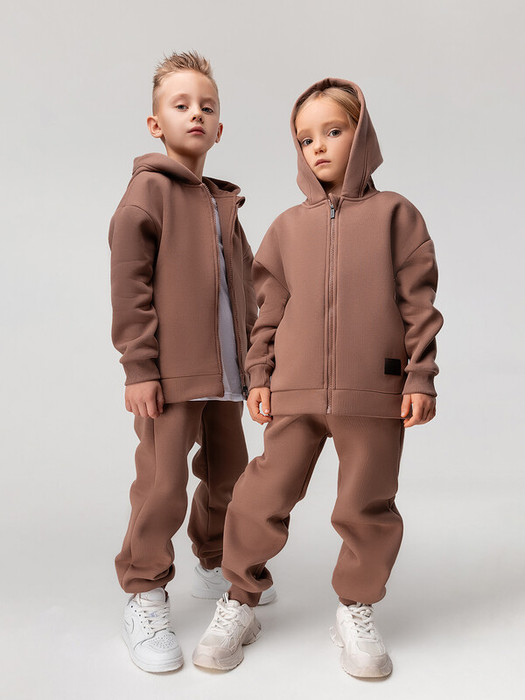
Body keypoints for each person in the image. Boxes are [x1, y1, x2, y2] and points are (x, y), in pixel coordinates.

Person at [192, 77, 444, 679]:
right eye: (306, 138)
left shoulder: (397, 216)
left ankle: (356, 608)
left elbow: (419, 307)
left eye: (334, 131)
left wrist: (420, 377)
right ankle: (240, 599)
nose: (320, 147)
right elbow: (268, 312)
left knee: (367, 503)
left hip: (375, 390)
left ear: (363, 135)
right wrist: (259, 374)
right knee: (259, 497)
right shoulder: (285, 228)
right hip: (294, 390)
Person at [108, 50, 275, 674]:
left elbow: (248, 288)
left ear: (220, 127)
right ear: (156, 124)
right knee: (162, 483)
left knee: (229, 475)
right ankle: (144, 590)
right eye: (181, 105)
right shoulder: (146, 195)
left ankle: (212, 558)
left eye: (206, 106)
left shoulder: (223, 203)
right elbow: (130, 289)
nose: (195, 113)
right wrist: (139, 367)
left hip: (227, 373)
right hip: (171, 375)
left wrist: (257, 365)